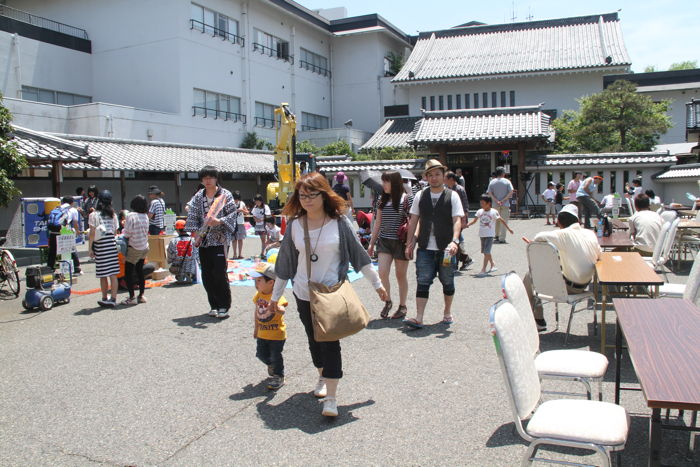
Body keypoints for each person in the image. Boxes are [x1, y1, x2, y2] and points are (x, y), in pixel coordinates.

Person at [270, 172, 387, 417]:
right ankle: (322, 375)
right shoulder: (294, 224)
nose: (307, 200)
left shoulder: (339, 222)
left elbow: (359, 255)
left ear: (324, 195)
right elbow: (285, 264)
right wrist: (274, 298)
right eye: (303, 195)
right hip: (303, 292)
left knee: (329, 341)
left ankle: (331, 398)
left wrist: (377, 285)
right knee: (314, 339)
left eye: (313, 195)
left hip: (331, 292)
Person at [403, 159, 464, 328]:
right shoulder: (420, 196)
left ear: (443, 176)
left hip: (446, 248)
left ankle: (447, 312)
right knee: (422, 281)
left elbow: (457, 220)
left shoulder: (453, 195)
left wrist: (455, 240)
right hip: (425, 248)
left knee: (448, 281)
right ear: (426, 177)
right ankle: (419, 317)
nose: (434, 178)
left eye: (437, 174)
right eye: (431, 175)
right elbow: (414, 220)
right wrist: (409, 243)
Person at [522, 204, 601, 331]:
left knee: (530, 275)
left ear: (559, 222)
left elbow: (539, 237)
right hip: (585, 284)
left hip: (568, 288)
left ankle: (537, 319)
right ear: (578, 220)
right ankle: (537, 319)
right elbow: (598, 254)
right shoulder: (589, 233)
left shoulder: (562, 235)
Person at [184, 166, 239, 319]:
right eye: (205, 178)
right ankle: (213, 305)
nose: (208, 181)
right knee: (207, 274)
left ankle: (224, 305)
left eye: (211, 177)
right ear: (201, 180)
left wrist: (219, 221)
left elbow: (232, 215)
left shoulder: (225, 195)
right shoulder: (198, 196)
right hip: (203, 240)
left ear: (216, 178)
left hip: (220, 239)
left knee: (219, 273)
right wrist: (196, 234)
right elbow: (193, 216)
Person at [367, 171, 411, 320]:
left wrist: (410, 244)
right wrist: (371, 243)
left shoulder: (406, 199)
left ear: (395, 183)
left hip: (400, 242)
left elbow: (413, 222)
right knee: (383, 272)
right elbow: (377, 223)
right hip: (384, 241)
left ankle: (403, 306)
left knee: (400, 275)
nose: (383, 184)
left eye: (387, 181)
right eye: (383, 181)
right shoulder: (382, 199)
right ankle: (388, 301)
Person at [250, 263, 288, 391]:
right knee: (260, 354)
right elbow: (256, 312)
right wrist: (256, 329)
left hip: (276, 334)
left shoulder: (276, 297)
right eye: (255, 280)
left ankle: (278, 375)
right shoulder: (259, 295)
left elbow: (282, 309)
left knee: (276, 355)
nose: (256, 283)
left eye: (259, 280)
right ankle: (272, 365)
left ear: (271, 282)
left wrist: (277, 308)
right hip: (262, 333)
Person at [467, 194, 513, 277]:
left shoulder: (493, 212)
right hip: (482, 235)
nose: (481, 205)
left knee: (486, 251)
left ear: (489, 203)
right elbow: (474, 221)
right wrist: (467, 224)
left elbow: (502, 220)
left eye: (483, 203)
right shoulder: (480, 211)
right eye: (480, 203)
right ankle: (493, 264)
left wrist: (509, 229)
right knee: (485, 253)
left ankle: (483, 269)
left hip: (490, 235)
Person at [89, 190, 120, 308]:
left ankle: (104, 297)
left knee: (103, 274)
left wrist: (90, 248)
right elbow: (115, 231)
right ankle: (113, 298)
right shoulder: (113, 215)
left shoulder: (94, 215)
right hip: (111, 245)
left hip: (100, 246)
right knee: (113, 274)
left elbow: (92, 233)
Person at [120, 195, 150, 305]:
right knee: (140, 271)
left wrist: (123, 227)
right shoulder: (145, 216)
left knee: (128, 272)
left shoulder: (131, 215)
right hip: (144, 246)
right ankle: (141, 295)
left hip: (134, 247)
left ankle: (131, 297)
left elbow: (127, 234)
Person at [445, 171, 473, 271]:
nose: (444, 180)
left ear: (451, 179)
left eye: (445, 178)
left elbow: (465, 205)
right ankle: (464, 259)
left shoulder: (459, 189)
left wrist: (464, 220)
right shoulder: (447, 189)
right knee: (456, 240)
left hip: (458, 219)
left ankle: (456, 263)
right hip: (449, 218)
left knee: (454, 240)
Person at [486, 167, 514, 243]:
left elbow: (489, 192)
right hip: (505, 204)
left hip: (495, 204)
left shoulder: (492, 182)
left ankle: (496, 235)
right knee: (504, 220)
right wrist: (503, 200)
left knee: (496, 220)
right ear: (503, 173)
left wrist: (496, 200)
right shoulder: (507, 181)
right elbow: (511, 191)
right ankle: (502, 238)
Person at [230, 190, 248, 259]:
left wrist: (242, 210)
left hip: (240, 223)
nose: (236, 200)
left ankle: (240, 254)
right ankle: (234, 254)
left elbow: (247, 212)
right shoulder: (230, 203)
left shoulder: (242, 203)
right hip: (233, 223)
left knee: (240, 239)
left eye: (237, 199)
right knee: (234, 239)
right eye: (235, 199)